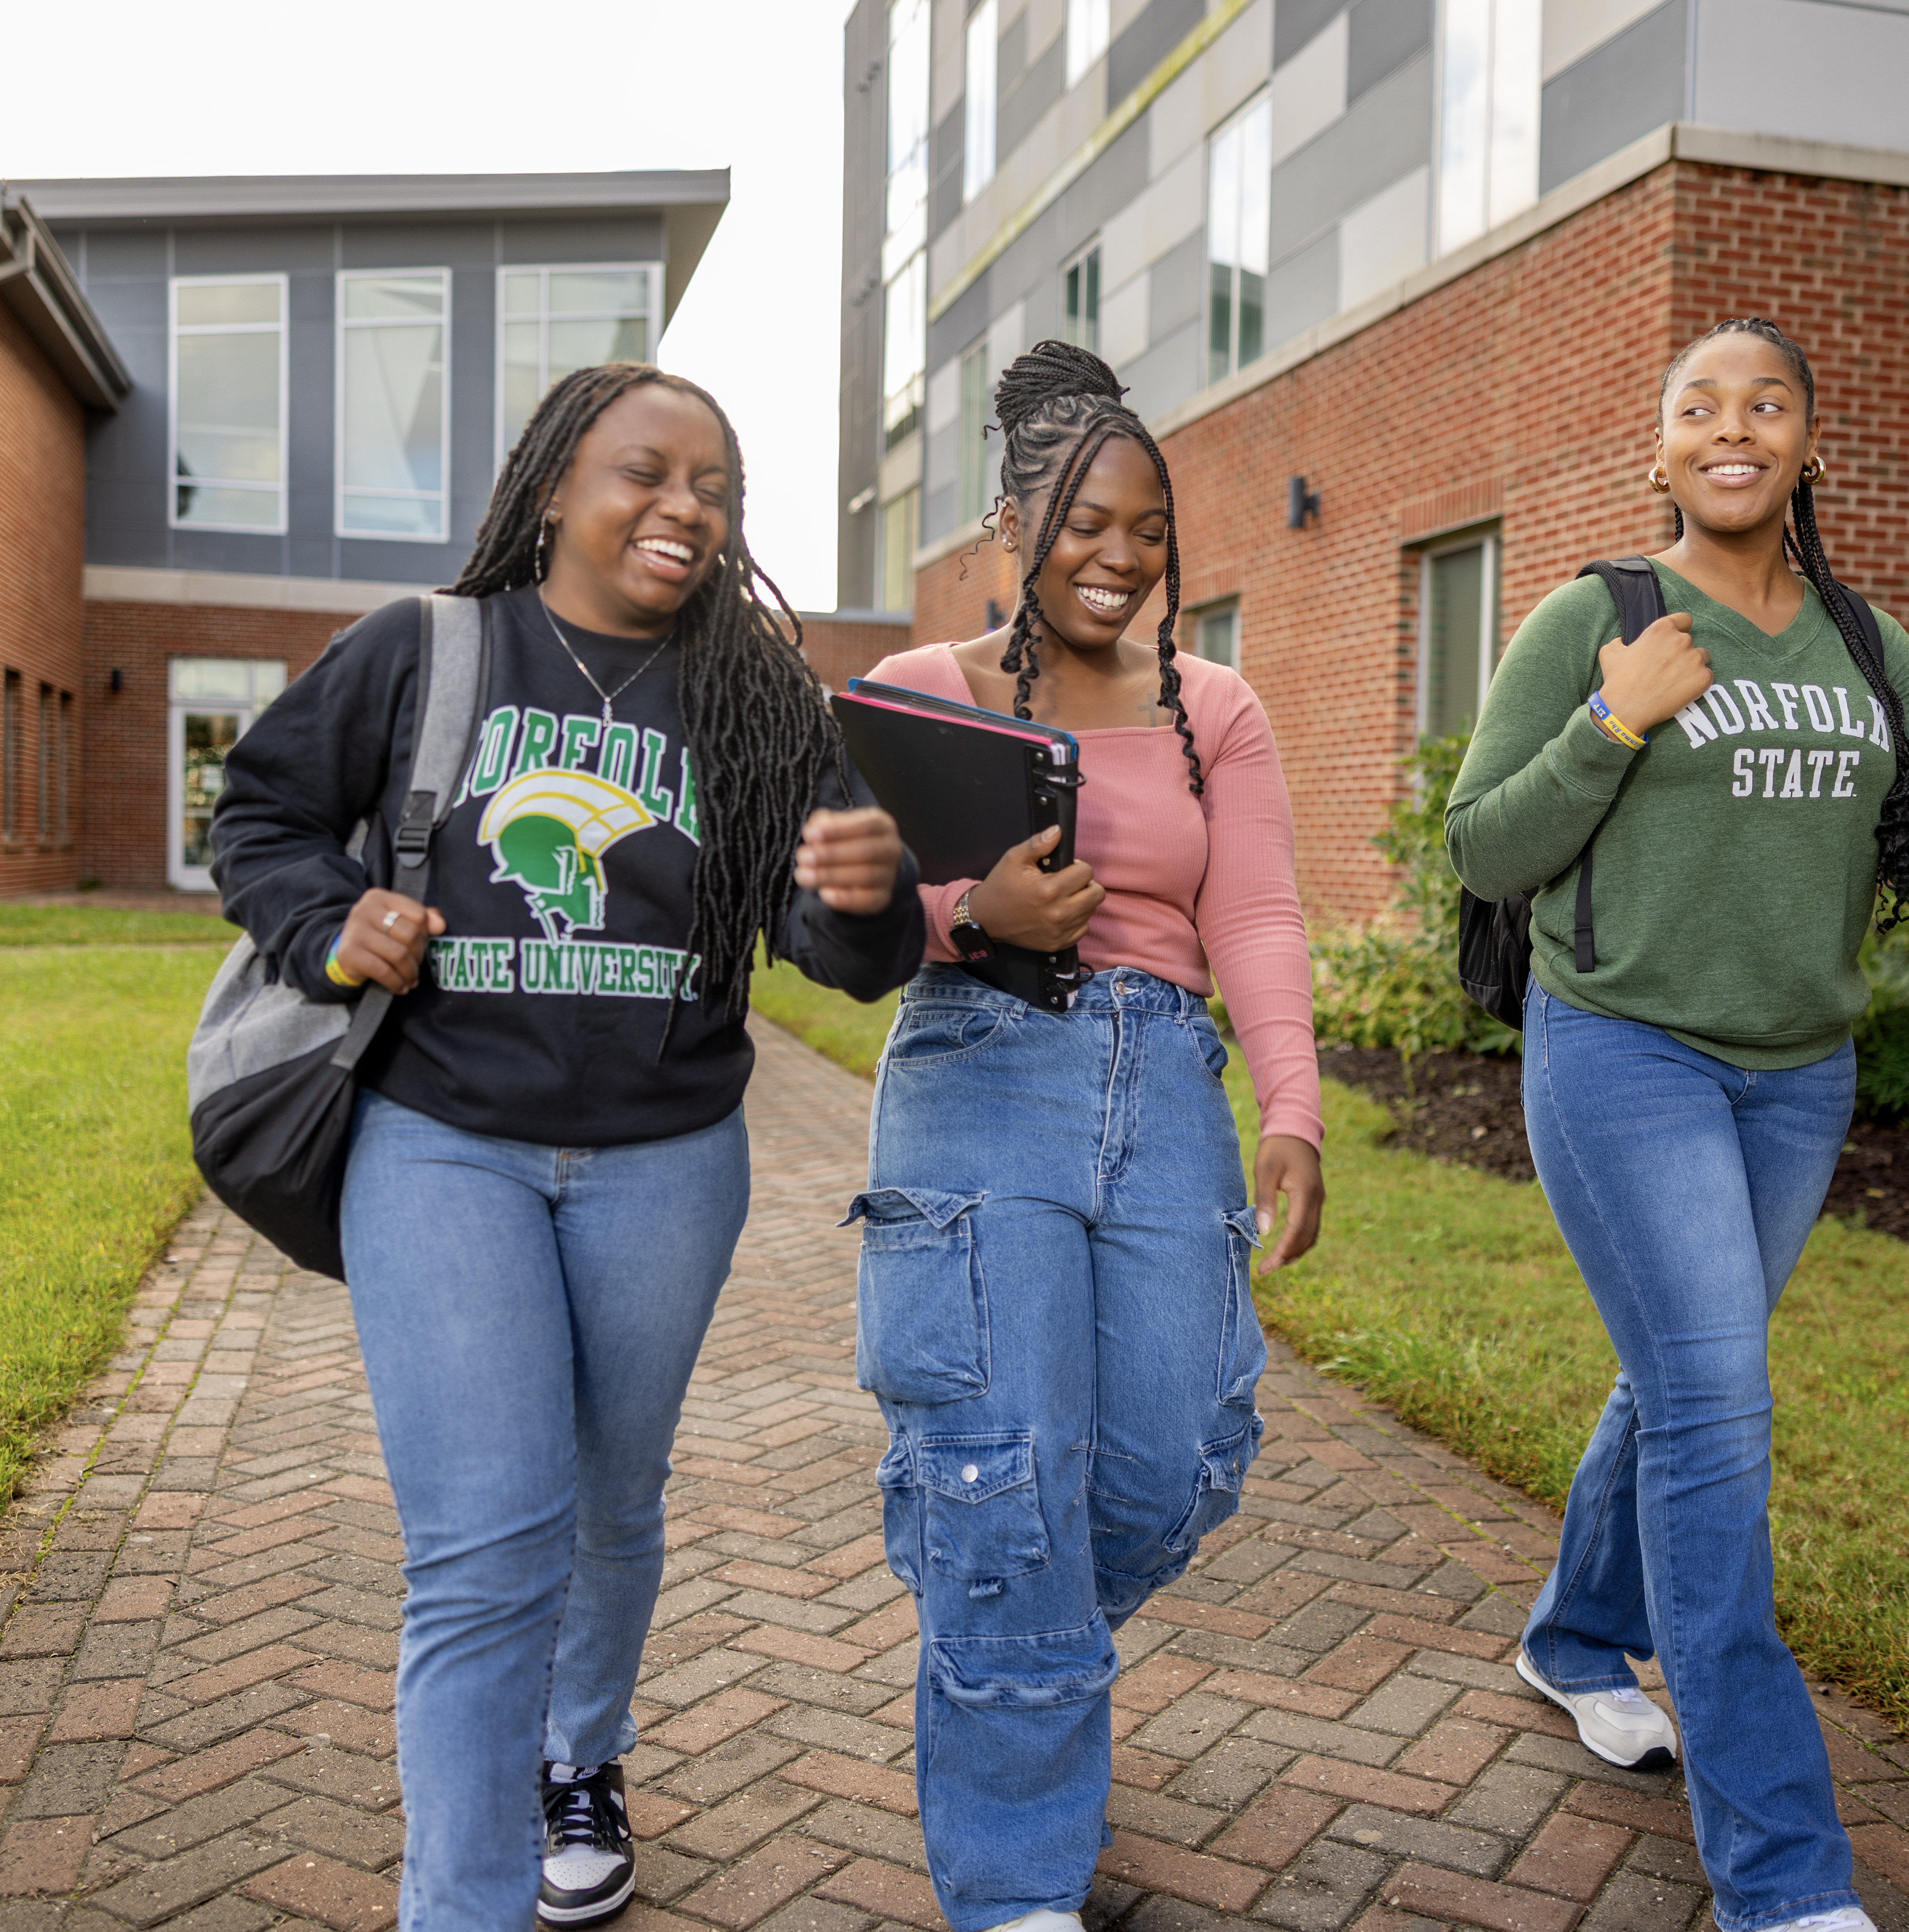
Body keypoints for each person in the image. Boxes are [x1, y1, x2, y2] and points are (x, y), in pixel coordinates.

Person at [209, 364, 923, 1932]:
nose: (686, 507)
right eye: (646, 472)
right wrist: (331, 925)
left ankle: (579, 1761)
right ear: (552, 487)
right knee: (486, 1547)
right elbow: (253, 818)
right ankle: (458, 1907)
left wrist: (873, 897)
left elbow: (832, 947)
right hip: (443, 1142)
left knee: (614, 1497)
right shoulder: (428, 649)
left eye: (716, 487)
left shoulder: (756, 698)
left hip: (667, 1162)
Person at [1446, 318, 1909, 1932]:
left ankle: (1570, 1633)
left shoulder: (1867, 646)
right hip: (1622, 1049)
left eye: (1765, 406)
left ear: (1811, 444)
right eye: (1699, 406)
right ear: (1662, 446)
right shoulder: (1594, 617)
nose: (1731, 428)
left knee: (1687, 1375)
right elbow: (1481, 847)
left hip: (1797, 1075)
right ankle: (1782, 1875)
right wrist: (1610, 724)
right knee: (1718, 1408)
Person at [851, 341, 1325, 1932]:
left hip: (1165, 1083)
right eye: (1083, 524)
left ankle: (1009, 1624)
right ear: (1011, 525)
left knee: (1179, 1447)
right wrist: (967, 912)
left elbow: (1252, 910)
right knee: (1007, 1470)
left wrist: (1293, 1107)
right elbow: (839, 913)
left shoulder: (1221, 707)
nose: (1119, 558)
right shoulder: (923, 696)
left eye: (1147, 531)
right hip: (979, 1066)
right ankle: (1016, 1886)